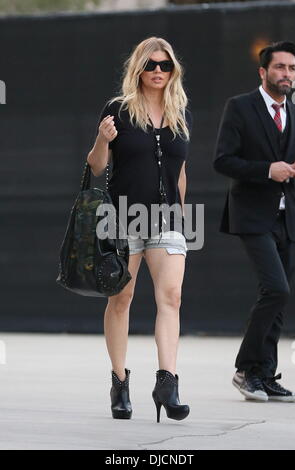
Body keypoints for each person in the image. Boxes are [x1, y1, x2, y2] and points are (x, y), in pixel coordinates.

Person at [87, 37, 192, 422]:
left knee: (172, 297)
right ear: (139, 68)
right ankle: (119, 382)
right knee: (121, 299)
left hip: (167, 220)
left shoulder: (181, 112)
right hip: (123, 217)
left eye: (165, 65)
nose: (158, 71)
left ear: (173, 69)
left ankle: (168, 381)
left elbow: (181, 172)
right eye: (151, 65)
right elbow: (97, 166)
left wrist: (181, 217)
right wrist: (103, 138)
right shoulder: (118, 109)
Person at [214, 41, 295, 402]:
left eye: (292, 69)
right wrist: (268, 170)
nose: (287, 74)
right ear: (263, 72)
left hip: (289, 215)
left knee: (278, 299)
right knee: (276, 290)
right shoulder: (240, 107)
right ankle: (247, 369)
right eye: (280, 67)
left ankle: (264, 374)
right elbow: (223, 161)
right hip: (252, 214)